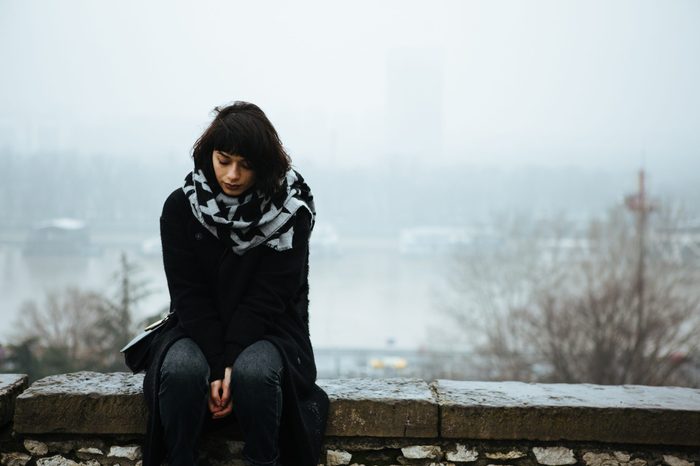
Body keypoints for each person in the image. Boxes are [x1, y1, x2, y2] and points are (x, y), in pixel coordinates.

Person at [142, 101, 329, 466]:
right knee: (181, 371)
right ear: (207, 154)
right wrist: (215, 365)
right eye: (224, 159)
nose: (232, 174)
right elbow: (188, 293)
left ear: (265, 165)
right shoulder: (181, 208)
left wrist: (229, 365)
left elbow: (270, 297)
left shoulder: (290, 213)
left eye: (246, 165)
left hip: (272, 329)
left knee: (253, 374)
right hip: (195, 327)